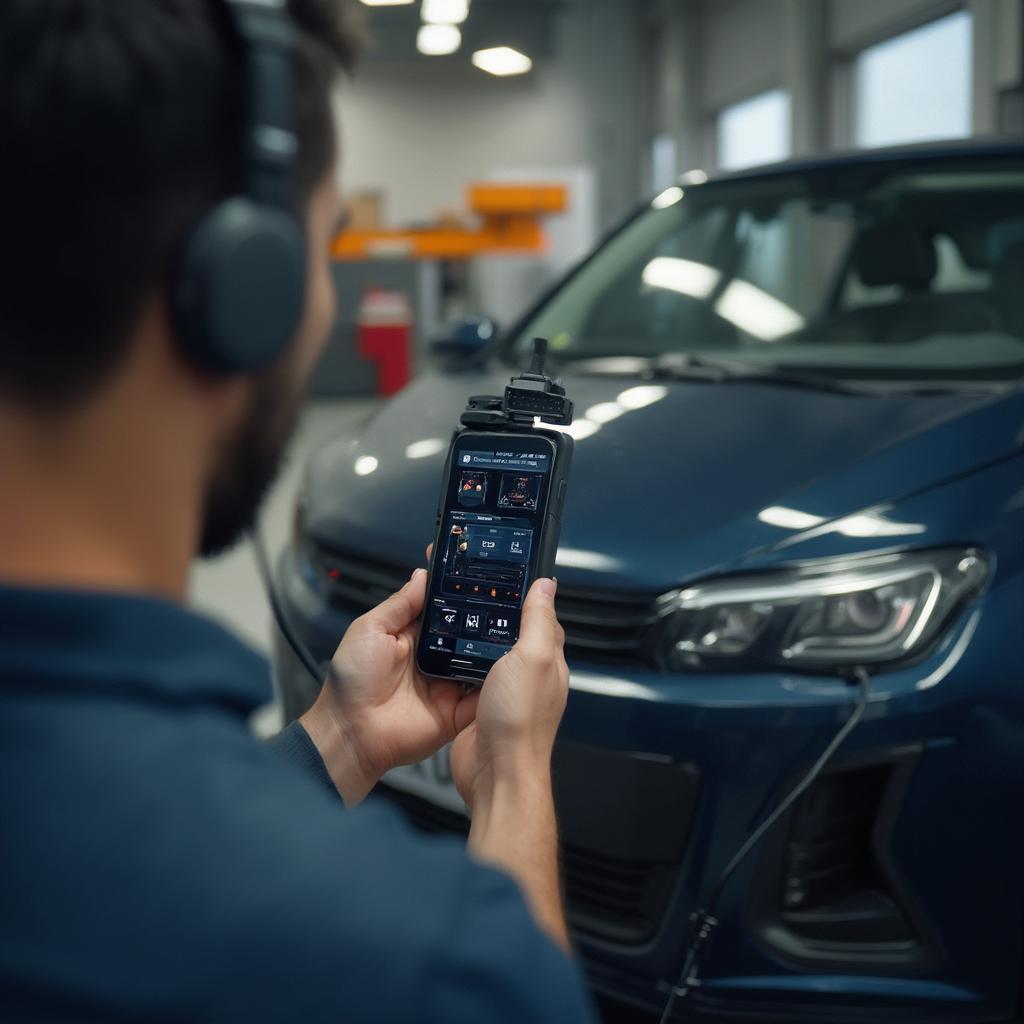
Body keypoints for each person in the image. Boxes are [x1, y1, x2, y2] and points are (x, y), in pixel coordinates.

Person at [0, 1, 596, 1021]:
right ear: (241, 291)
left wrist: (343, 736)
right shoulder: (425, 961)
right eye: (320, 249)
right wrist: (510, 784)